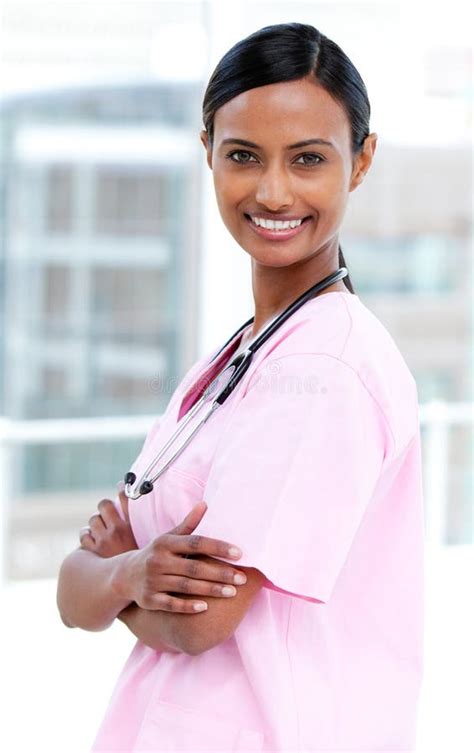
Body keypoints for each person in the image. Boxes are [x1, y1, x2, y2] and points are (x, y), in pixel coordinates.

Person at [56, 22, 424, 752]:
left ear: (361, 160)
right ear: (208, 155)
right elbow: (72, 591)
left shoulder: (326, 372)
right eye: (243, 156)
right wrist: (132, 570)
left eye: (309, 159)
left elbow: (197, 621)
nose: (273, 190)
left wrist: (116, 573)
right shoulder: (238, 357)